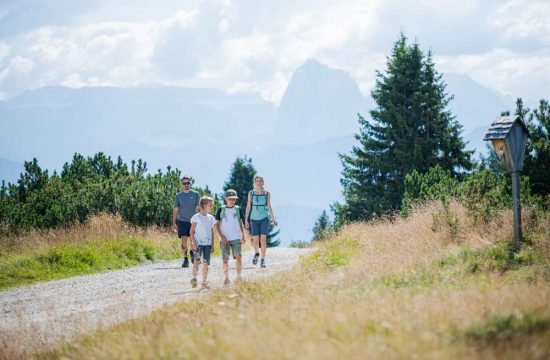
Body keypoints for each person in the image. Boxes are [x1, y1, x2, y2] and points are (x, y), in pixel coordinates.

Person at [245, 175, 278, 268]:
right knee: (255, 240)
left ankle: (263, 260)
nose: (259, 183)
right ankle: (256, 253)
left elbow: (269, 207)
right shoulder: (251, 193)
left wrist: (273, 219)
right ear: (254, 183)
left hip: (264, 218)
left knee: (263, 239)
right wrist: (246, 220)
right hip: (253, 219)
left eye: (260, 181)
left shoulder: (267, 194)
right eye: (257, 181)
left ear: (263, 183)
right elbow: (248, 206)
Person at [215, 189, 246, 285]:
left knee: (239, 256)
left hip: (236, 237)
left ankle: (239, 276)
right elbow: (216, 224)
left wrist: (243, 234)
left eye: (234, 199)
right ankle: (226, 277)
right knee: (225, 259)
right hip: (225, 239)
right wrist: (222, 236)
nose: (232, 201)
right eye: (230, 199)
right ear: (225, 199)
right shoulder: (221, 209)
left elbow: (241, 222)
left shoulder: (238, 209)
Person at [172, 175, 200, 268]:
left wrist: (199, 220)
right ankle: (185, 259)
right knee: (183, 242)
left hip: (193, 221)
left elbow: (197, 208)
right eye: (184, 183)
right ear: (182, 184)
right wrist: (174, 223)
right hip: (182, 221)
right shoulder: (178, 196)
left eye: (188, 183)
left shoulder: (196, 194)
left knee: (193, 240)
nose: (186, 184)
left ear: (190, 183)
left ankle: (192, 253)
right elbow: (176, 209)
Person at [190, 196, 216, 289]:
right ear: (204, 205)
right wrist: (193, 242)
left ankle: (204, 282)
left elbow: (212, 232)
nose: (212, 206)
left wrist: (213, 244)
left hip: (207, 245)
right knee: (196, 262)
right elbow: (191, 231)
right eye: (210, 205)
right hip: (198, 245)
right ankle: (194, 279)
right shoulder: (196, 217)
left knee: (206, 263)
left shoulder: (211, 218)